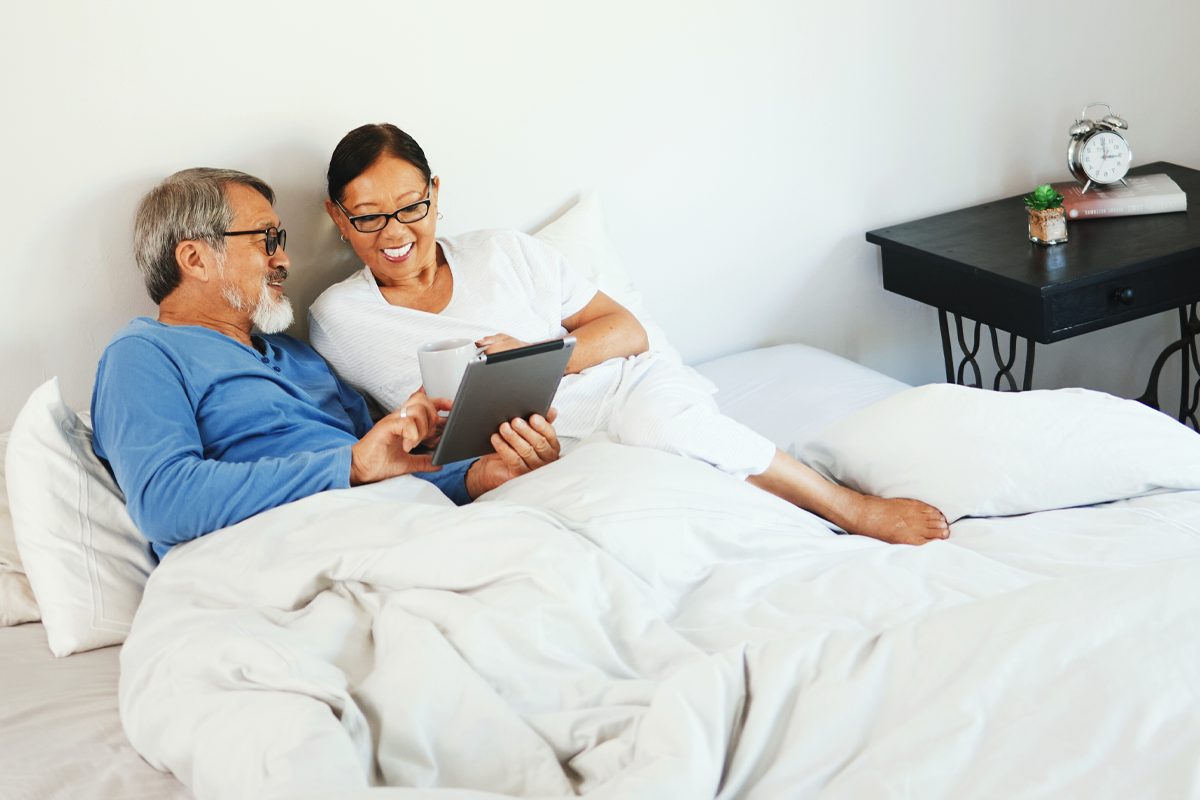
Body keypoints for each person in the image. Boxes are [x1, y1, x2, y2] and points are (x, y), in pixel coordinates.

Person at [309, 124, 950, 546]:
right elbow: (366, 434)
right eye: (368, 218)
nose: (394, 234)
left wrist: (538, 361)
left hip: (623, 391)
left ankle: (847, 509)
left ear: (436, 194)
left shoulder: (503, 252)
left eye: (411, 208)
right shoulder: (339, 320)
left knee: (668, 429)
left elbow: (627, 330)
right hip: (528, 454)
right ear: (339, 217)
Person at [91, 168, 560, 561]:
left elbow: (385, 465)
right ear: (195, 258)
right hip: (288, 552)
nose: (285, 259)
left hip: (403, 526)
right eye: (267, 240)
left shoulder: (298, 356)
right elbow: (165, 503)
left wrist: (484, 473)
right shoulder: (143, 355)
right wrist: (350, 466)